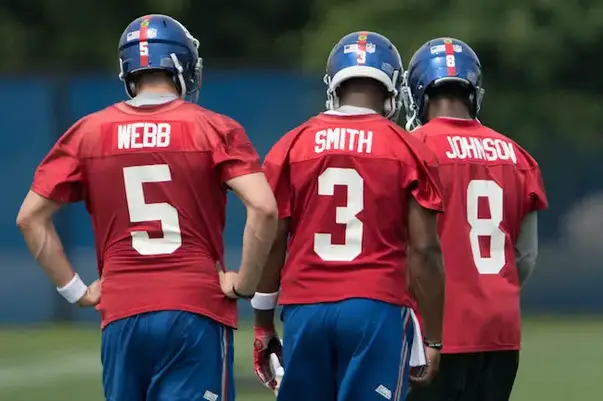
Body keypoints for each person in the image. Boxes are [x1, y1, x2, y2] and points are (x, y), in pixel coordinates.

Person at [16, 14, 278, 401]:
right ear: (182, 65)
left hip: (123, 310)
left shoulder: (89, 132)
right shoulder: (212, 128)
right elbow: (264, 208)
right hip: (194, 307)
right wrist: (245, 283)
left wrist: (76, 291)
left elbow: (30, 218)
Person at [251, 31, 446, 401]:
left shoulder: (292, 144)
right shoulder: (407, 147)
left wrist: (262, 320)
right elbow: (424, 251)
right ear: (391, 86)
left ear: (334, 84)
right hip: (375, 306)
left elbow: (273, 237)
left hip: (305, 308)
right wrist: (433, 336)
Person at [402, 37, 548, 401]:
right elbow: (524, 258)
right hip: (499, 330)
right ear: (473, 90)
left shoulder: (410, 149)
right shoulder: (518, 156)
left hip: (432, 331)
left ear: (419, 90)